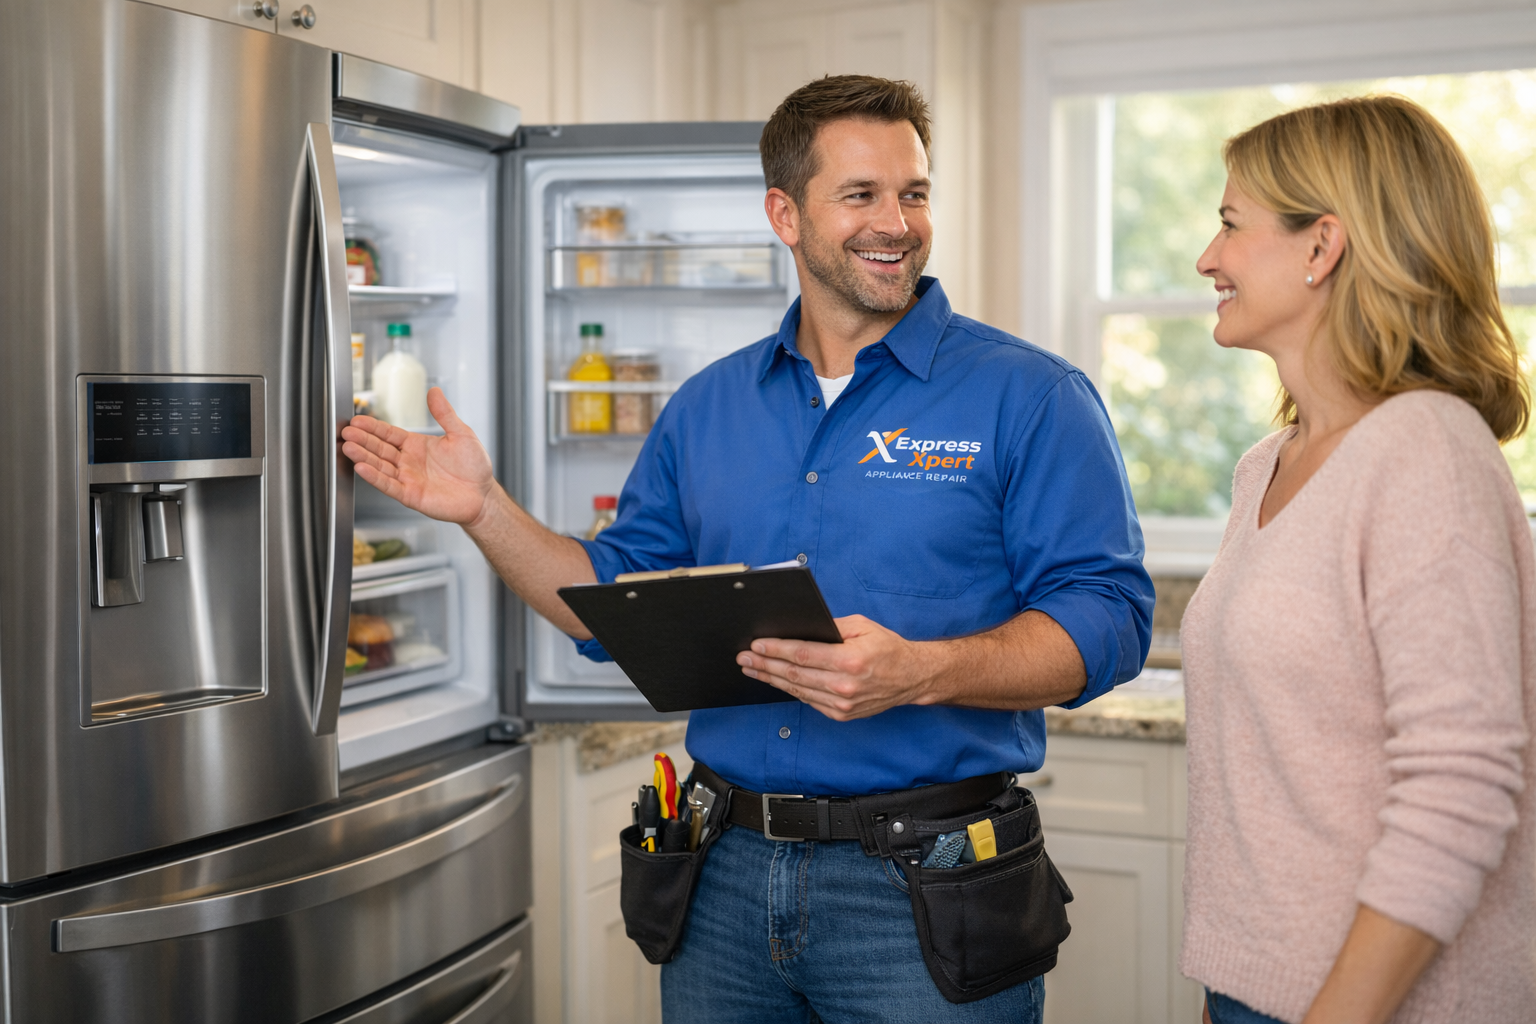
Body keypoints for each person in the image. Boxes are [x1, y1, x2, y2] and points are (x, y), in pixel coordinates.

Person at [342, 75, 1153, 1022]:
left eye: (915, 193)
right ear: (784, 213)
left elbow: (1112, 618)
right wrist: (484, 509)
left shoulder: (1032, 396)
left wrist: (922, 672)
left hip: (928, 882)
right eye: (861, 195)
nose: (898, 222)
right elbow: (611, 604)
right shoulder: (709, 406)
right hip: (721, 875)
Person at [1181, 95, 1536, 1024]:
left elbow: (1460, 787)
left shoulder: (1426, 451)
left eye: (1229, 225)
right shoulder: (1269, 464)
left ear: (1321, 246)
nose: (1208, 258)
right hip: (1256, 989)